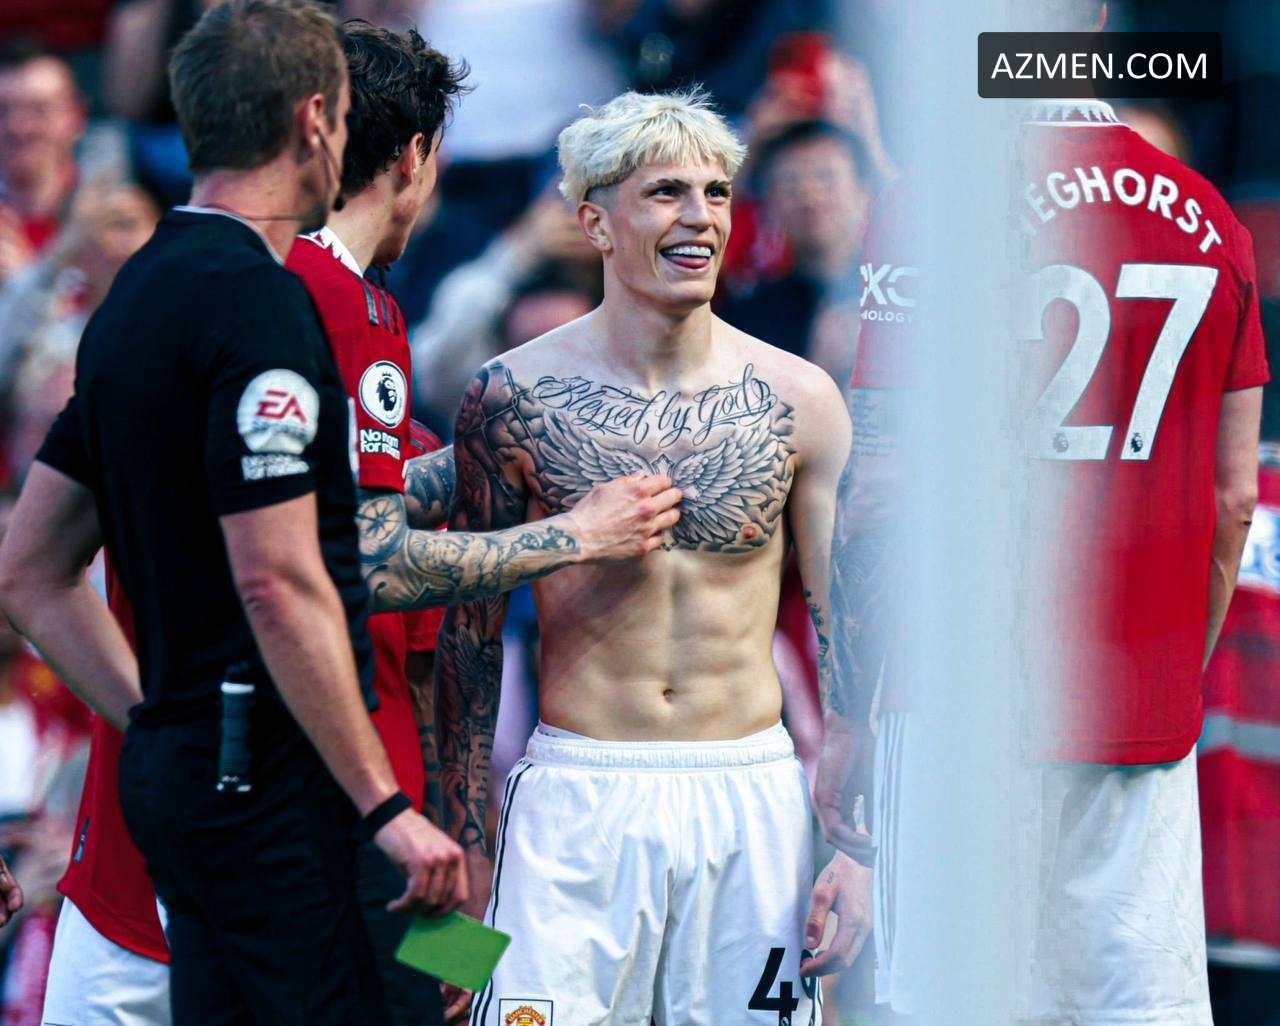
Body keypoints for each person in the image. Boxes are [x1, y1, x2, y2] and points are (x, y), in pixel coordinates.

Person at [0, 3, 461, 1022]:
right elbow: (282, 578)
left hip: (172, 813)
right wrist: (576, 532)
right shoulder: (291, 301)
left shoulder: (135, 290)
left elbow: (26, 568)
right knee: (429, 984)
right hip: (303, 810)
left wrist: (161, 722)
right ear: (315, 122)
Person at [817, 25, 1268, 1026]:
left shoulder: (934, 202)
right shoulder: (1208, 215)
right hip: (1140, 709)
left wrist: (850, 713)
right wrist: (1170, 671)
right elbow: (1232, 499)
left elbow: (880, 486)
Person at [436, 89, 871, 1026]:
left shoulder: (801, 397)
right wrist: (463, 854)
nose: (700, 217)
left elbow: (850, 634)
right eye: (667, 192)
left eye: (717, 193)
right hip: (576, 795)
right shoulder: (510, 395)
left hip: (752, 792)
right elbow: (467, 642)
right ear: (593, 220)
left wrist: (859, 853)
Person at [287, 20, 682, 1024]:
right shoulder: (347, 310)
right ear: (416, 158)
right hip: (347, 825)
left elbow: (430, 679)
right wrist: (578, 533)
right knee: (461, 994)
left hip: (355, 824)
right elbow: (371, 563)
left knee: (472, 981)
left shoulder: (274, 307)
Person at [0, 42, 86, 285]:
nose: (19, 127)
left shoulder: (109, 222)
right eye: (2, 110)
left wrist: (22, 282)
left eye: (39, 110)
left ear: (75, 116)